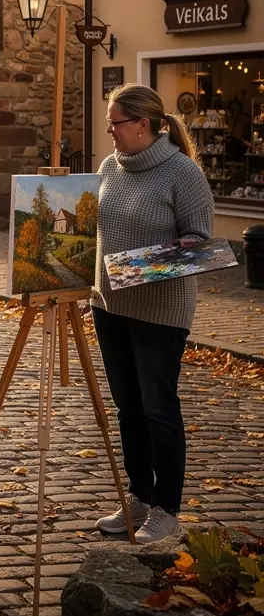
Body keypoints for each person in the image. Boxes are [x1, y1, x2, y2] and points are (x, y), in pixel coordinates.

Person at [92, 83, 213, 544]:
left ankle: (167, 509)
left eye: (116, 122)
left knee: (158, 408)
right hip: (109, 306)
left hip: (161, 310)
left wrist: (142, 266)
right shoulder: (109, 167)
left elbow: (200, 242)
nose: (109, 130)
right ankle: (140, 496)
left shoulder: (183, 173)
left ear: (143, 124)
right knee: (128, 408)